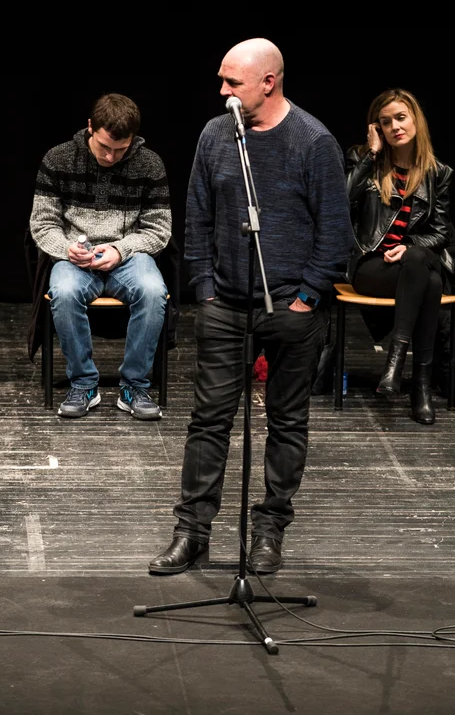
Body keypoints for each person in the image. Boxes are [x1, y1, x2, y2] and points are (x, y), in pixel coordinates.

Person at [149, 39, 353, 576]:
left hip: (291, 307)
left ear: (269, 82)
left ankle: (268, 532)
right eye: (222, 79)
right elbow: (197, 216)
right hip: (225, 305)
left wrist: (307, 297)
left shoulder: (313, 141)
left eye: (232, 82)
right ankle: (192, 533)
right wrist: (204, 288)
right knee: (208, 422)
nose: (222, 91)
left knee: (286, 422)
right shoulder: (215, 135)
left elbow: (335, 231)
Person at [30, 93, 172, 420]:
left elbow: (159, 229)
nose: (110, 156)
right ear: (90, 127)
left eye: (120, 149)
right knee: (64, 292)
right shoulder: (59, 159)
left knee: (153, 291)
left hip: (130, 255)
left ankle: (134, 386)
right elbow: (42, 223)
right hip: (75, 257)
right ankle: (83, 383)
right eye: (105, 147)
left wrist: (121, 250)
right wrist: (66, 248)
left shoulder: (149, 164)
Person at [344, 88, 455, 424]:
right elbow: (341, 200)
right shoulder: (362, 159)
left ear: (416, 121)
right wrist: (371, 154)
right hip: (371, 265)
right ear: (377, 128)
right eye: (385, 122)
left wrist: (409, 246)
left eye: (400, 118)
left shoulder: (438, 172)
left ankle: (398, 368)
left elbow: (440, 233)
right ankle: (418, 384)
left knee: (421, 268)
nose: (395, 127)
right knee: (430, 280)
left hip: (413, 265)